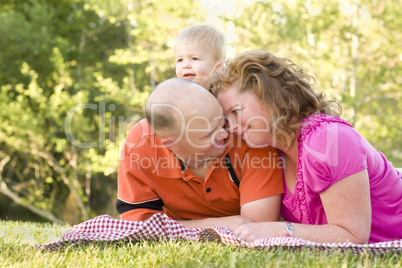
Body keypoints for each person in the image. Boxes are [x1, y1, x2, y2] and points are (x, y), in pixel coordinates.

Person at [208, 49, 402, 243]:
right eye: (226, 120)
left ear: (269, 95)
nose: (231, 127)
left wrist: (276, 230)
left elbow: (352, 237)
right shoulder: (270, 153)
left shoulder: (327, 139)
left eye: (236, 111)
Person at [116, 78, 284, 229]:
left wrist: (175, 228)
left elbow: (257, 228)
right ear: (172, 144)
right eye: (208, 135)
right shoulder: (140, 144)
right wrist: (216, 224)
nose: (225, 134)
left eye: (222, 121)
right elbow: (137, 225)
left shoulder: (248, 138)